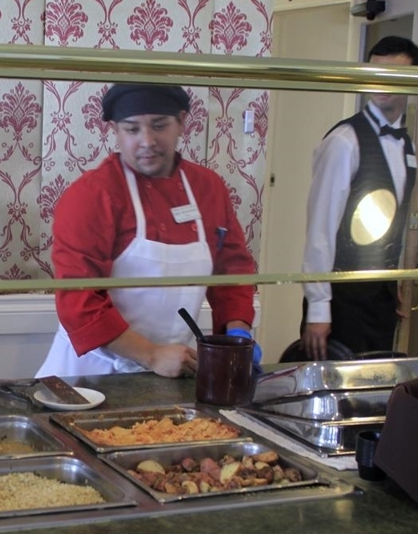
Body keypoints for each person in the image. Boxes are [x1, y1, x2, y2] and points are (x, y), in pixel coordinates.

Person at [36, 83, 259, 378]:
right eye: (132, 129)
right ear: (115, 130)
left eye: (159, 125)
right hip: (89, 371)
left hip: (171, 369)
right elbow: (78, 301)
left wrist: (237, 331)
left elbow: (232, 271)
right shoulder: (91, 195)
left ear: (181, 122)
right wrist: (151, 355)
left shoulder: (209, 189)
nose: (147, 141)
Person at [299, 36, 418, 361]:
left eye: (391, 75)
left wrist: (392, 282)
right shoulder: (344, 141)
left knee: (376, 382)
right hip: (342, 298)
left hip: (380, 296)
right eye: (373, 72)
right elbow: (320, 231)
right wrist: (318, 308)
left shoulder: (407, 146)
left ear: (413, 81)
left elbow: (391, 221)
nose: (379, 82)